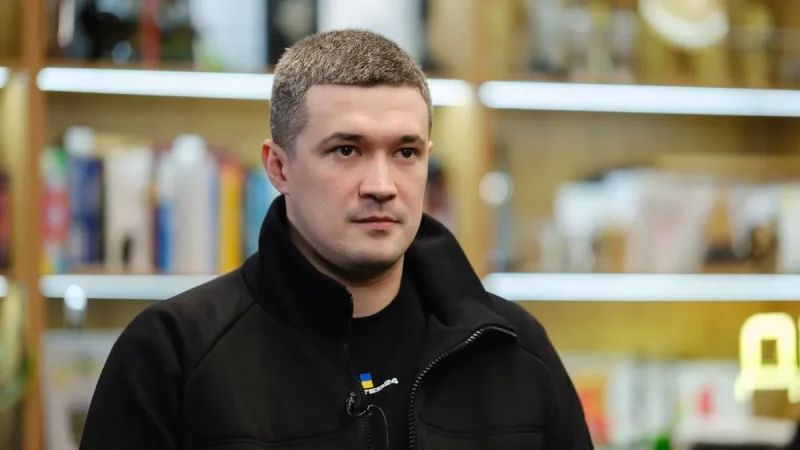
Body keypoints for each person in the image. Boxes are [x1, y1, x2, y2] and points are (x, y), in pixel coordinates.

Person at [79, 29, 593, 450]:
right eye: (347, 150)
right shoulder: (172, 354)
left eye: (406, 152)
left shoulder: (514, 349)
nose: (382, 185)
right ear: (279, 168)